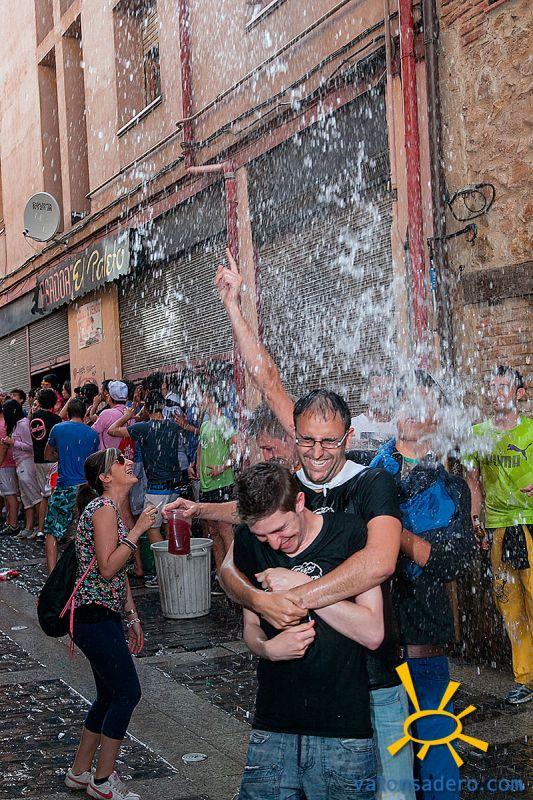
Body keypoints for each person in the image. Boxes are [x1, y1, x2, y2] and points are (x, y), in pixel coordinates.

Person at [234, 463, 383, 799]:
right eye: (263, 536)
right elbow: (251, 626)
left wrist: (302, 588)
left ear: (299, 502)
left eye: (281, 530)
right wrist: (268, 649)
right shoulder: (247, 542)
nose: (274, 544)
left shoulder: (349, 533)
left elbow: (372, 631)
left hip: (342, 735)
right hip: (272, 729)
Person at [371, 371, 475, 799]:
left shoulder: (451, 488)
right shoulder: (367, 473)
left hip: (424, 647)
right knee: (380, 761)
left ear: (438, 417)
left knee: (436, 755)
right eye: (407, 400)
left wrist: (401, 537)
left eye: (425, 402)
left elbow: (456, 562)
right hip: (369, 644)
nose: (414, 410)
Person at [65, 448, 157, 800]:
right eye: (120, 461)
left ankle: (79, 772)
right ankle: (102, 781)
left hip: (102, 613)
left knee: (108, 694)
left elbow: (118, 572)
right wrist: (139, 529)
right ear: (106, 477)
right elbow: (107, 566)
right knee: (127, 693)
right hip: (92, 614)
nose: (128, 462)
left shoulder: (109, 509)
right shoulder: (103, 509)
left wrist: (131, 615)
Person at [464, 366, 532, 705]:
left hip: (530, 524)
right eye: (492, 386)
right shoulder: (477, 433)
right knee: (510, 605)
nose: (497, 392)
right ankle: (525, 678)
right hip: (499, 528)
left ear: (519, 393)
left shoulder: (531, 430)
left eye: (504, 386)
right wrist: (475, 520)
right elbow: (473, 483)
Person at [109, 390, 191, 588]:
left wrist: (129, 415)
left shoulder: (144, 428)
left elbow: (113, 430)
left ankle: (162, 571)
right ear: (162, 406)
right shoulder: (172, 425)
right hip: (174, 485)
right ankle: (176, 567)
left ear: (147, 406)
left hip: (156, 488)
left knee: (152, 527)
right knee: (170, 526)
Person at [43, 399, 99, 573]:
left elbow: (47, 455)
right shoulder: (92, 433)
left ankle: (52, 575)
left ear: (68, 413)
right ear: (84, 413)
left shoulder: (58, 429)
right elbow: (93, 461)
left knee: (52, 532)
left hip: (64, 488)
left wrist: (61, 456)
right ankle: (84, 573)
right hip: (86, 489)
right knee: (87, 533)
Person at [197, 388, 237, 573]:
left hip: (222, 483)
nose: (201, 402)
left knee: (224, 528)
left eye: (204, 398)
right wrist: (196, 465)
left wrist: (222, 467)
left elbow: (237, 448)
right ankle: (221, 573)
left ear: (213, 400)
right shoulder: (205, 424)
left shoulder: (224, 422)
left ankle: (233, 573)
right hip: (206, 484)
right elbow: (201, 448)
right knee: (212, 530)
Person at [1, 399, 41, 539]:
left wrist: (13, 442)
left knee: (34, 496)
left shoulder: (23, 424)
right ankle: (28, 527)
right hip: (20, 463)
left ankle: (39, 526)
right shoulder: (16, 424)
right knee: (26, 498)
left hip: (26, 462)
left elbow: (30, 446)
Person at [30, 388, 62, 541]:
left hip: (37, 460)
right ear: (53, 402)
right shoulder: (56, 419)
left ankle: (41, 530)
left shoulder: (33, 417)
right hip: (52, 460)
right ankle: (52, 530)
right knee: (53, 495)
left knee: (45, 494)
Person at [350, 370, 397, 451]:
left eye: (386, 388)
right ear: (367, 392)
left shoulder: (401, 427)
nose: (381, 394)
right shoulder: (353, 425)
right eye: (377, 388)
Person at [0, 401, 20, 536]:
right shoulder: (5, 423)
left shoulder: (1, 425)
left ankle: (13, 524)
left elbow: (3, 446)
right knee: (8, 495)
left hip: (5, 464)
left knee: (10, 495)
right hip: (9, 463)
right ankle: (9, 521)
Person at [91, 380, 129, 451]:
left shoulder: (106, 414)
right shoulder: (130, 413)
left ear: (109, 397)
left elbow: (92, 432)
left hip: (109, 456)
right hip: (126, 455)